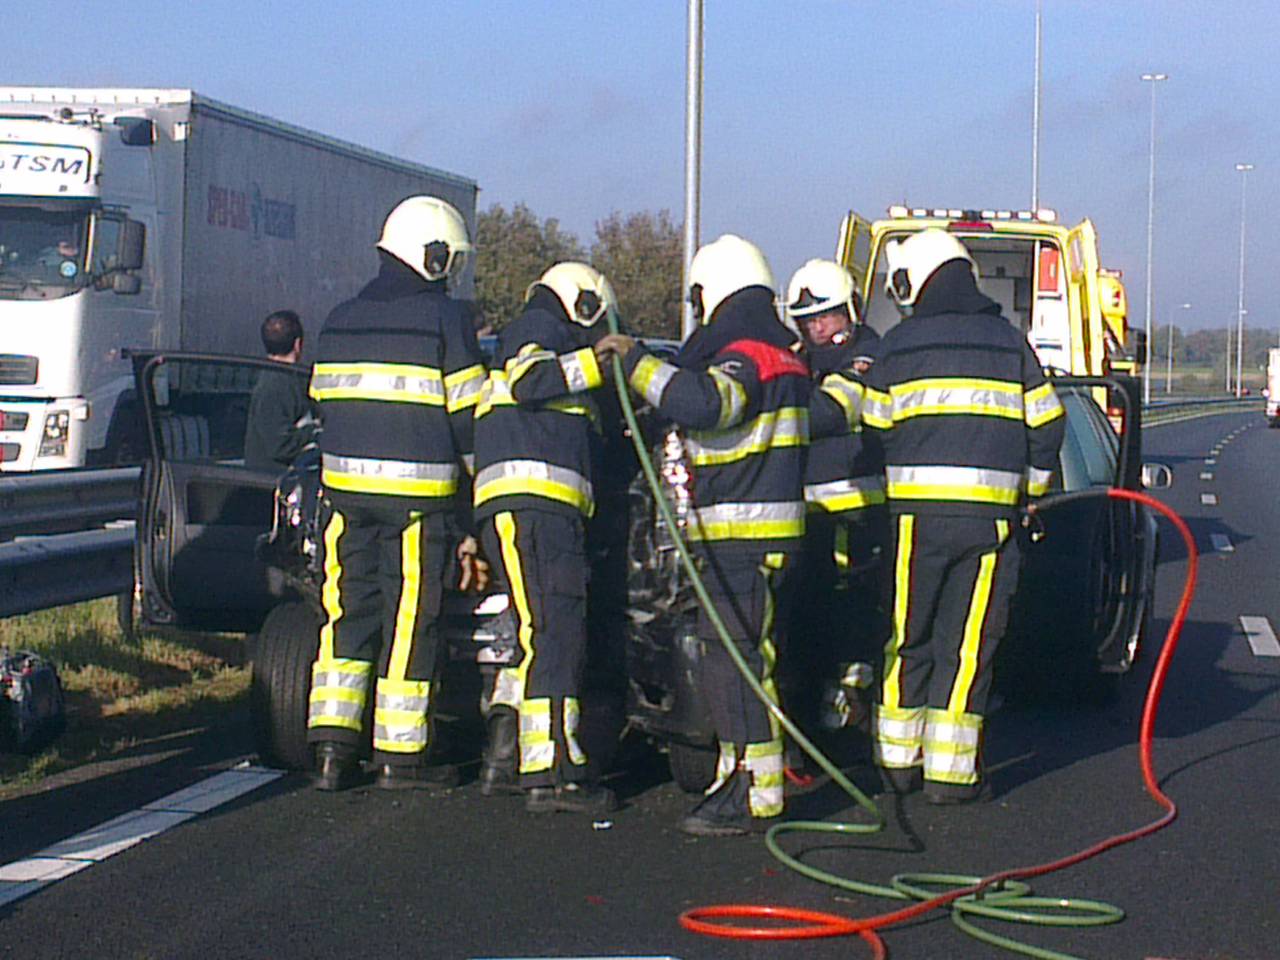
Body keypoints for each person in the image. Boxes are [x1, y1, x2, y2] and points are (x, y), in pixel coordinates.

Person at [595, 234, 810, 836]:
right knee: (741, 659)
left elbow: (708, 403)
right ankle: (742, 773)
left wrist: (636, 361)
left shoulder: (748, 356)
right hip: (761, 537)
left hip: (742, 538)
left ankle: (753, 789)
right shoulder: (785, 355)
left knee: (736, 663)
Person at [861, 228, 1066, 804]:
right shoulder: (1010, 343)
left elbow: (873, 431)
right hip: (989, 524)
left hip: (914, 523)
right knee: (968, 641)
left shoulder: (897, 345)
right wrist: (1030, 492)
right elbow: (1048, 424)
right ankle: (951, 776)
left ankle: (899, 764)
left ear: (916, 282)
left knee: (909, 633)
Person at [305, 196, 487, 791]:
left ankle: (333, 749)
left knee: (345, 614)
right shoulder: (448, 321)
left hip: (344, 500)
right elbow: (468, 419)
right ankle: (399, 757)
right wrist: (476, 499)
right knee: (410, 620)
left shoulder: (336, 317)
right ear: (434, 258)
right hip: (417, 502)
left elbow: (319, 403)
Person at [471, 261, 621, 815]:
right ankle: (555, 772)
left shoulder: (542, 336)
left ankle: (505, 754)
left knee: (534, 634)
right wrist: (598, 360)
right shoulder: (542, 328)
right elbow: (531, 381)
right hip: (538, 507)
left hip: (520, 509)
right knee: (557, 632)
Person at [782, 259, 887, 734]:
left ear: (851, 311)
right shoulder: (796, 356)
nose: (816, 327)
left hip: (859, 514)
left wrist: (773, 406)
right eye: (807, 319)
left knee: (858, 617)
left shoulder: (869, 355)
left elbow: (834, 410)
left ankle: (856, 703)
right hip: (808, 515)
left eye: (825, 316)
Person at [243, 309, 317, 471]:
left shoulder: (276, 378)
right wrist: (316, 432)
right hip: (271, 483)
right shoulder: (276, 384)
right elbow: (280, 445)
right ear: (298, 344)